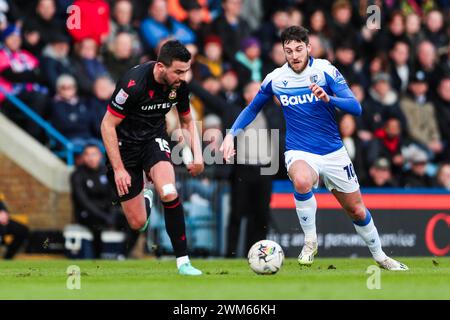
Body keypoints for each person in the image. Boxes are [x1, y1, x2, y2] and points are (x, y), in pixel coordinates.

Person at [220, 26, 408, 271]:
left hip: (333, 152)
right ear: (283, 52)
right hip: (300, 150)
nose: (295, 55)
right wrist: (230, 135)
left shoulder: (325, 71)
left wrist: (330, 99)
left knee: (357, 210)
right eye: (289, 51)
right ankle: (310, 241)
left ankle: (381, 256)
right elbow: (252, 108)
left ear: (309, 48)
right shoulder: (276, 79)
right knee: (300, 180)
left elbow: (355, 107)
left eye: (299, 49)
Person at [100, 40, 204, 275]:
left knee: (168, 191)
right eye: (178, 71)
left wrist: (198, 156)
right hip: (124, 147)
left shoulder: (179, 86)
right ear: (160, 67)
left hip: (154, 140)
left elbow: (187, 121)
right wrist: (119, 169)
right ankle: (146, 195)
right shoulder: (133, 84)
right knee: (137, 223)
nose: (182, 76)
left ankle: (183, 262)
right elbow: (107, 125)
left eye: (186, 70)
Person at [70, 144, 139, 258]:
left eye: (94, 154)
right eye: (87, 155)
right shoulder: (77, 175)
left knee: (135, 223)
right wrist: (104, 217)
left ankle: (122, 254)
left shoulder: (106, 172)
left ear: (100, 156)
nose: (91, 158)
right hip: (87, 214)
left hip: (107, 212)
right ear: (83, 157)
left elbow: (113, 198)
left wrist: (111, 215)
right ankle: (97, 256)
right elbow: (83, 202)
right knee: (96, 225)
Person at [0, 195, 29, 259]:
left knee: (22, 230)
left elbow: (3, 209)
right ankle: (2, 242)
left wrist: (4, 214)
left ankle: (8, 257)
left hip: (3, 222)